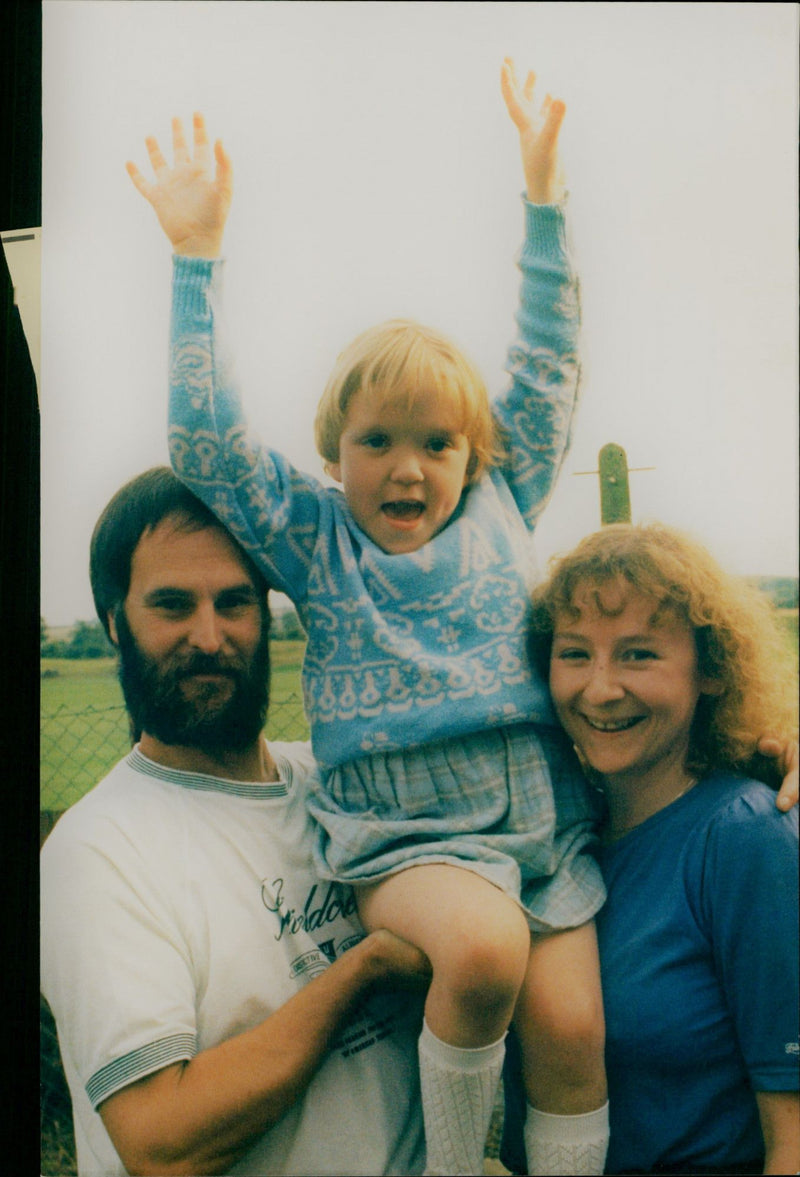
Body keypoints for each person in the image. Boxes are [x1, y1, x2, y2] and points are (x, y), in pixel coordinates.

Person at [126, 60, 612, 1176]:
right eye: (376, 441)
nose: (407, 468)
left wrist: (544, 203)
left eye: (435, 442)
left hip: (541, 826)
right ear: (332, 453)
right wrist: (193, 260)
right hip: (408, 839)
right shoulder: (316, 538)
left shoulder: (504, 499)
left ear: (472, 455)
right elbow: (206, 443)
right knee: (482, 952)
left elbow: (545, 369)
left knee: (575, 1031)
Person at [40, 466, 431, 1177]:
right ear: (114, 623)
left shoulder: (338, 784)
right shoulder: (97, 851)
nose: (210, 635)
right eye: (172, 605)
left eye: (234, 601)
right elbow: (162, 1142)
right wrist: (364, 967)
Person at [502, 521, 799, 1175]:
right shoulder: (544, 834)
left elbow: (795, 1142)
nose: (601, 688)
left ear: (712, 672)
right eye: (575, 653)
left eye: (639, 655)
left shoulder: (747, 836)